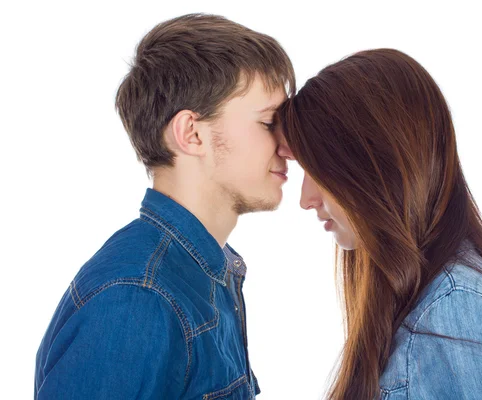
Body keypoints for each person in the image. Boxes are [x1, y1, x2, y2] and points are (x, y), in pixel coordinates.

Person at [35, 13, 294, 399]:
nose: (287, 146)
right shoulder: (138, 299)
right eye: (269, 122)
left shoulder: (207, 271)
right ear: (191, 133)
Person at [277, 48, 482, 399]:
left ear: (374, 167)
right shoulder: (424, 300)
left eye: (318, 171)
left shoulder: (453, 313)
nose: (306, 200)